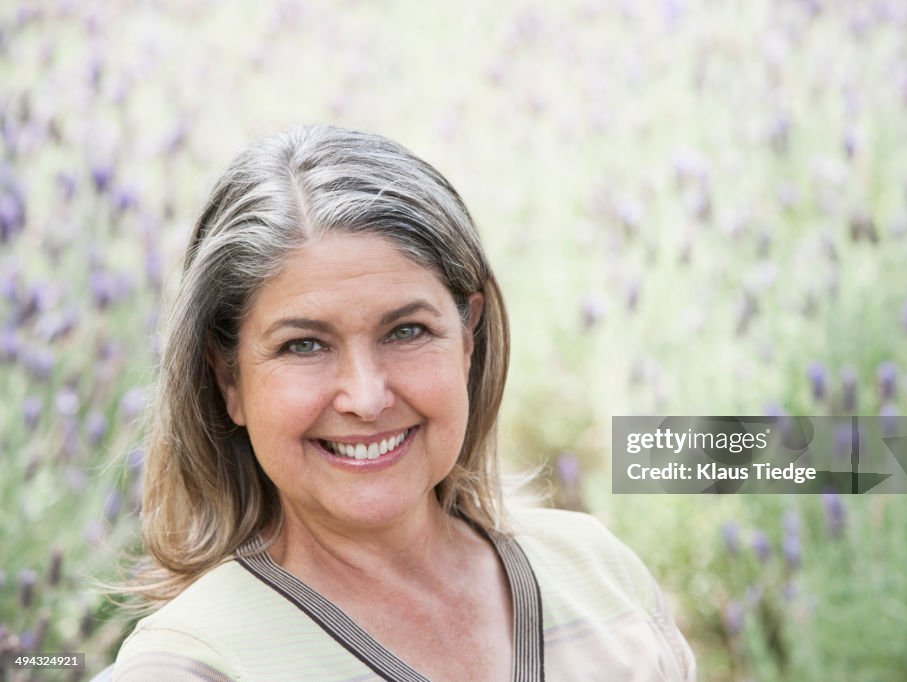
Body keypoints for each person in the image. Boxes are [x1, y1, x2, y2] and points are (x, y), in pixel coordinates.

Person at [111, 125, 696, 681]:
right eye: (304, 345)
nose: (366, 398)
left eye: (407, 332)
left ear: (468, 338)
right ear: (229, 380)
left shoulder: (599, 573)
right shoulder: (192, 664)